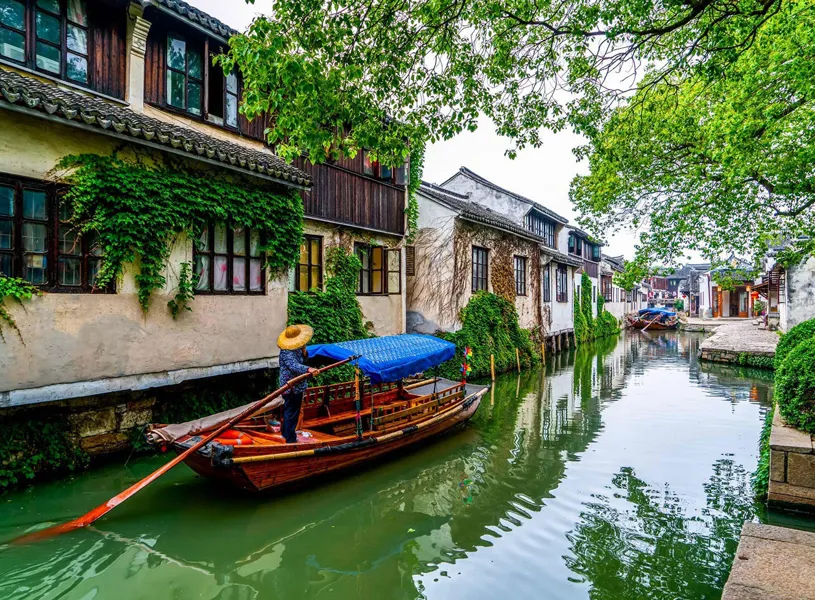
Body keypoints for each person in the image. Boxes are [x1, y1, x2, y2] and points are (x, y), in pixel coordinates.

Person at [277, 324, 318, 443]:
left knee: (292, 412)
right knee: (290, 412)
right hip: (290, 387)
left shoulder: (298, 349)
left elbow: (302, 361)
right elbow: (293, 365)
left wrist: (305, 353)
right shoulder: (286, 351)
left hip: (298, 386)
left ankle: (287, 435)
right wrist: (308, 369)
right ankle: (289, 438)